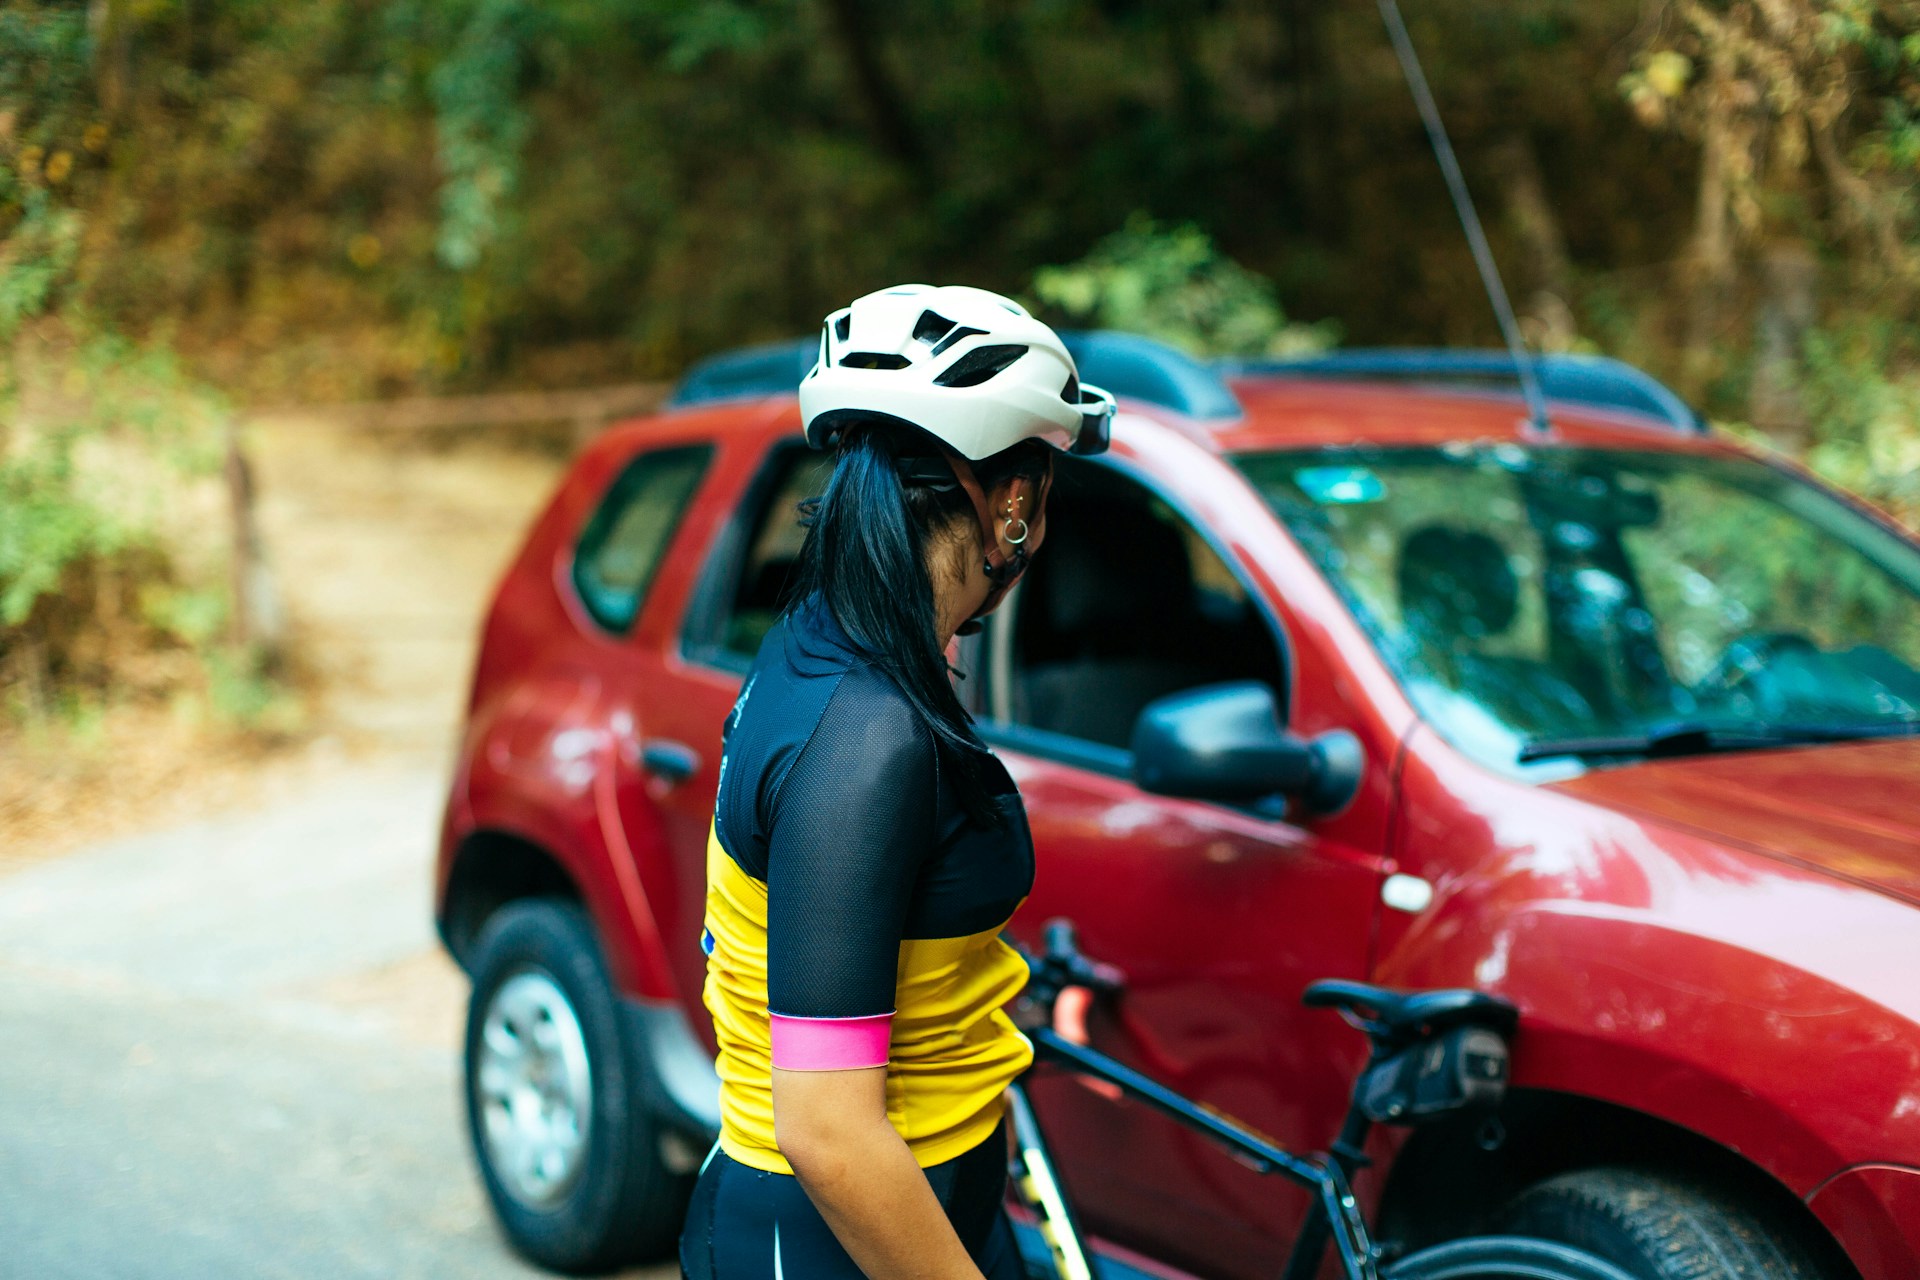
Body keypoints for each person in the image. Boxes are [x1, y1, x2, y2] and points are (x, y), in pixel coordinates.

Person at [679, 283, 1115, 1280]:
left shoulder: (836, 644)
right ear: (1012, 498)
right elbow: (826, 1128)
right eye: (1042, 493)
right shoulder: (864, 735)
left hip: (922, 1208)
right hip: (841, 1235)